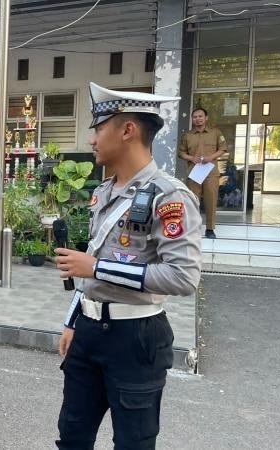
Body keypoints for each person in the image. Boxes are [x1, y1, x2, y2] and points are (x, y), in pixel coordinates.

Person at [53, 83, 202, 449]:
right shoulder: (104, 192)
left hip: (136, 337)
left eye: (98, 128)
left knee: (133, 442)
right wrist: (74, 321)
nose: (92, 140)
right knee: (72, 435)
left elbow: (183, 277)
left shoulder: (170, 196)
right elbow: (91, 261)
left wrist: (97, 268)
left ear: (127, 130)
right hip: (89, 331)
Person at [177, 108, 226, 239]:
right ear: (192, 119)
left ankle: (210, 229)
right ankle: (193, 228)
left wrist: (211, 157)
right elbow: (181, 153)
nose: (197, 119)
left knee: (211, 200)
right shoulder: (187, 135)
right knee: (193, 201)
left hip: (211, 172)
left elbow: (222, 149)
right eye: (195, 117)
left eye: (200, 116)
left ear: (206, 118)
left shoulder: (215, 132)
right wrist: (191, 158)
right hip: (194, 172)